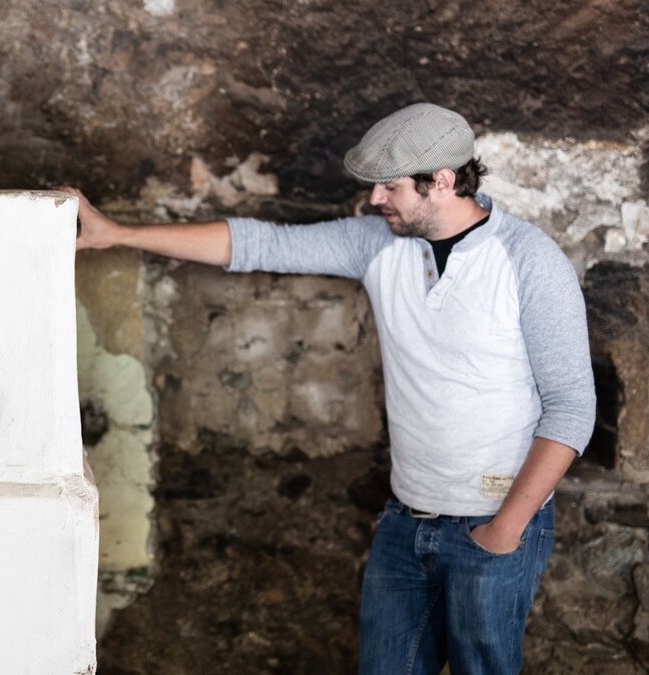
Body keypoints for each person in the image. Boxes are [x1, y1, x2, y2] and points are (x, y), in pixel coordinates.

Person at [61, 102, 596, 675]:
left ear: (442, 182)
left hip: (496, 523)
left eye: (390, 186)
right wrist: (116, 234)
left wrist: (504, 531)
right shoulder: (378, 244)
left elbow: (571, 408)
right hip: (406, 519)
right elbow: (259, 244)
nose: (375, 199)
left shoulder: (529, 260)